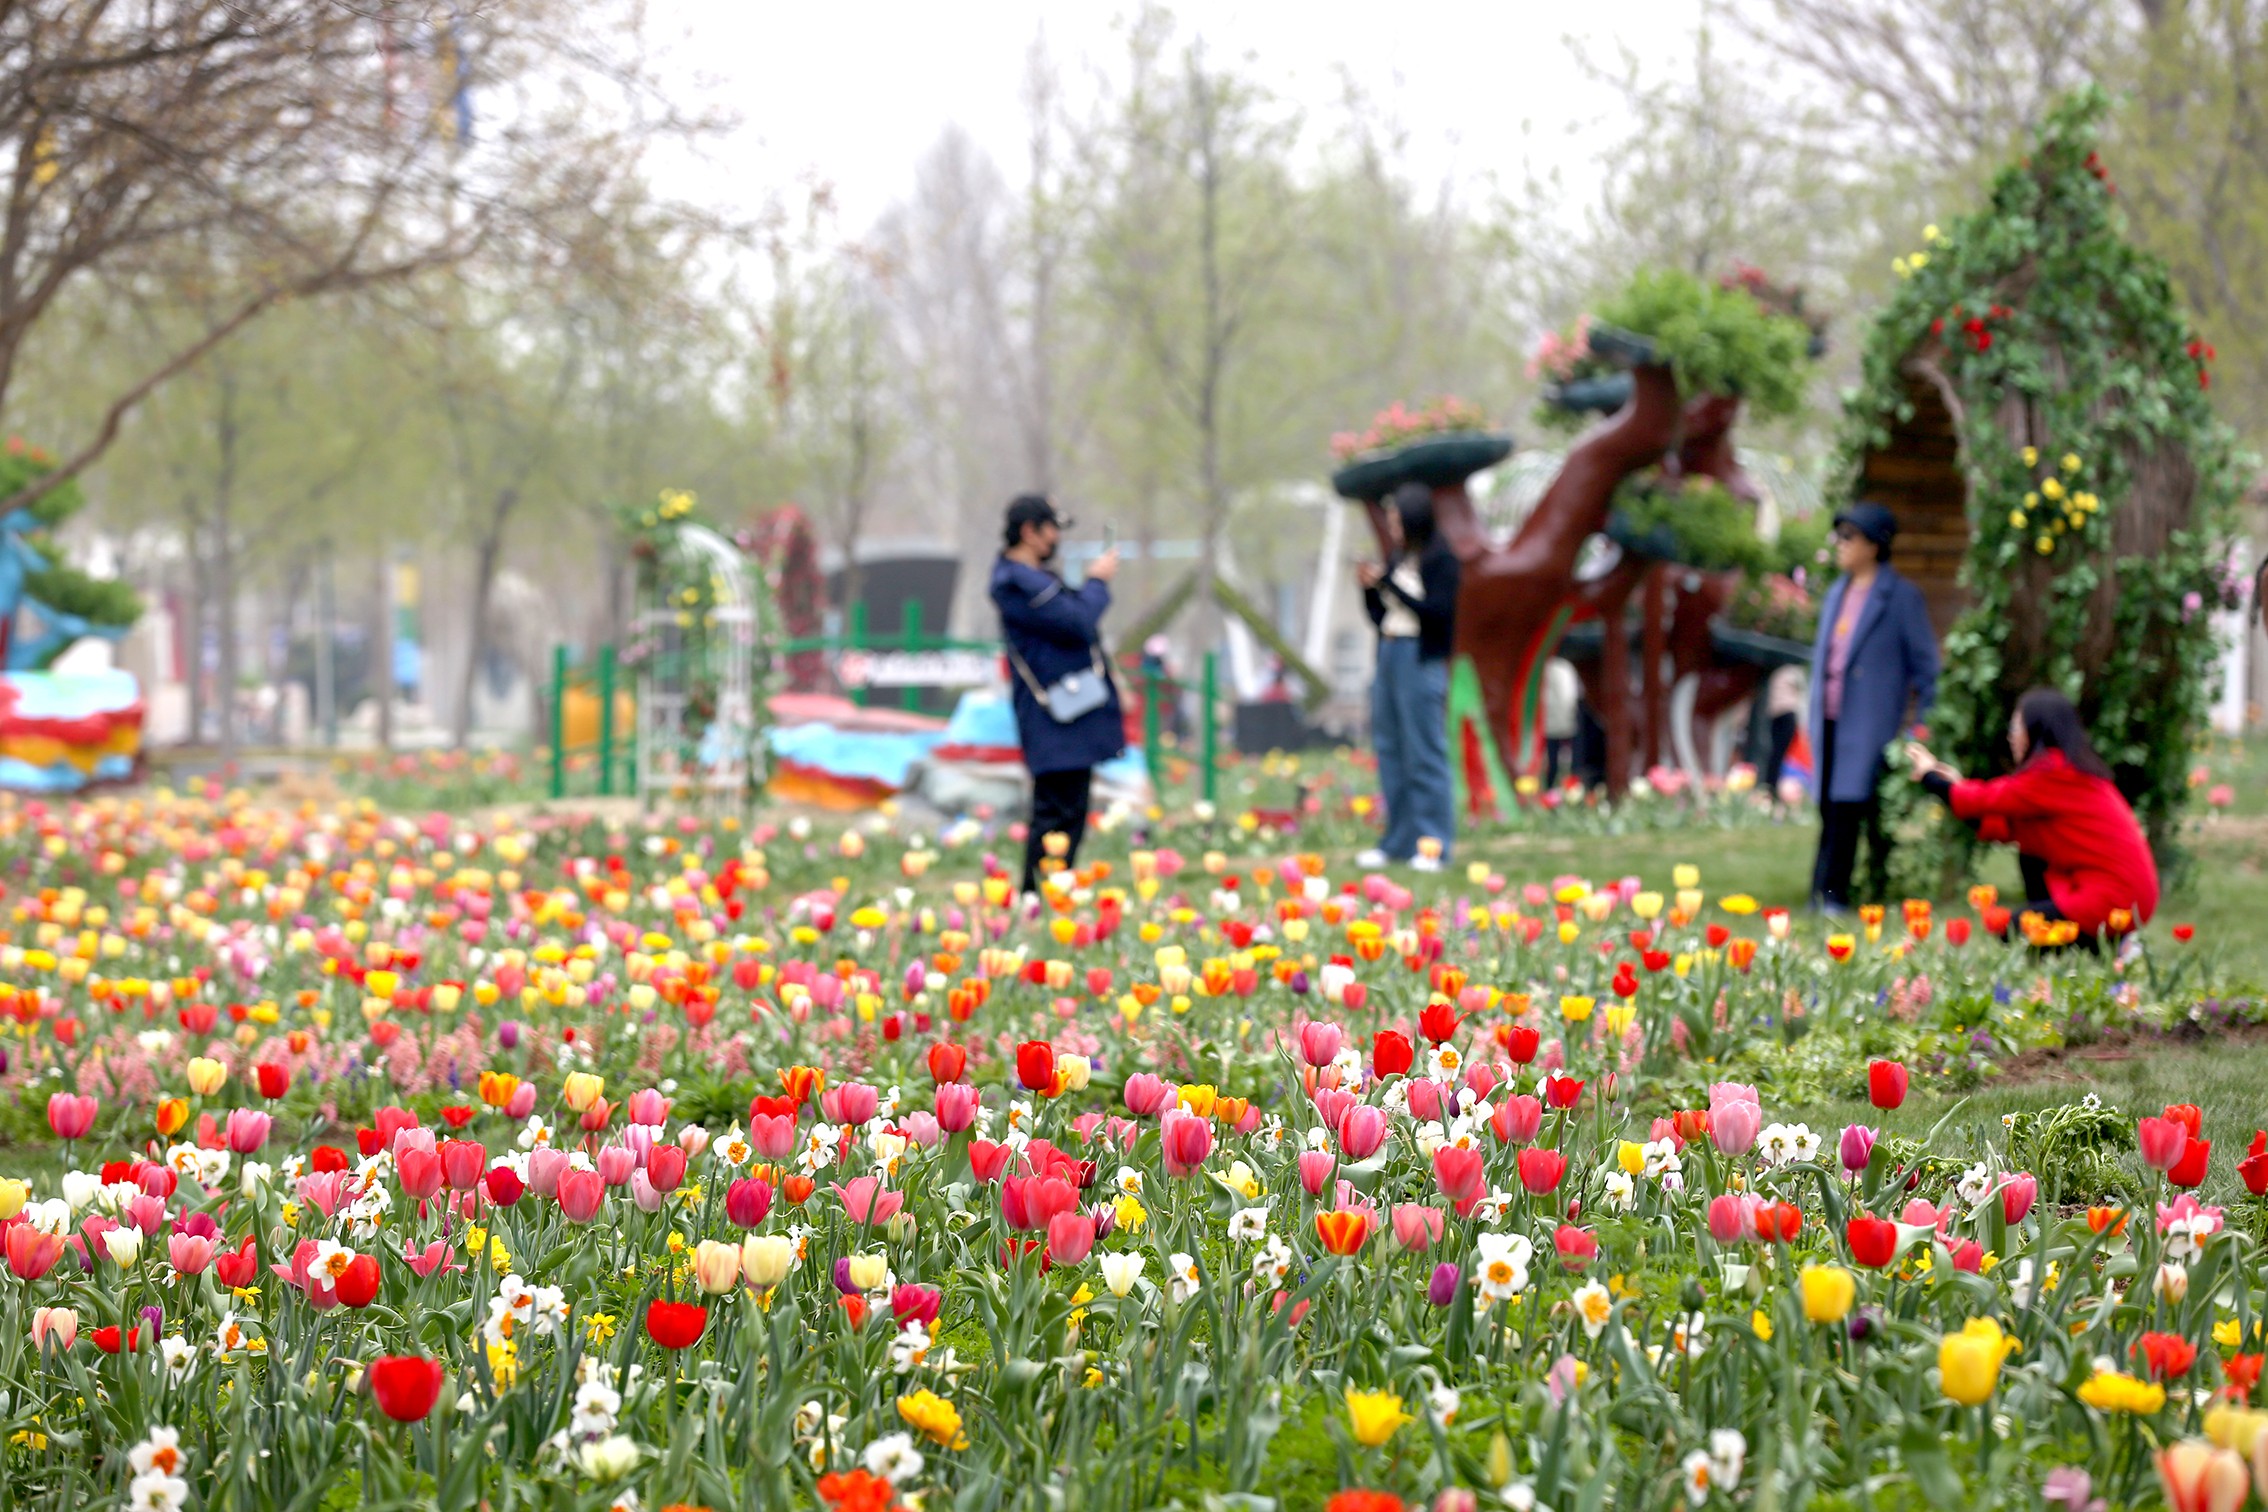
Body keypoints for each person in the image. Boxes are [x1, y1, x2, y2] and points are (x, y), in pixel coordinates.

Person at [1906, 687, 2157, 940]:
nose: (2010, 737)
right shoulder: (2066, 772)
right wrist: (1953, 787)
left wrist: (1930, 776)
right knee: (2030, 862)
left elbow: (1984, 799)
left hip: (2115, 899)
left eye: (2015, 728)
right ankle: (2108, 946)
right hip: (2121, 894)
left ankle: (2118, 945)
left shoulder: (2052, 773)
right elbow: (2001, 824)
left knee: (2015, 931)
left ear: (2036, 730)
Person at [1805, 500, 1939, 911]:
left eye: (1850, 537)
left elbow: (1927, 670)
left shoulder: (1900, 597)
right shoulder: (1835, 593)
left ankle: (1834, 896)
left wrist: (1921, 726)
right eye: (1839, 536)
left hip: (1868, 723)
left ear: (1874, 545)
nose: (1840, 544)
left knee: (1850, 807)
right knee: (1829, 806)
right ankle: (1821, 892)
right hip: (1829, 717)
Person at [991, 494, 1122, 901]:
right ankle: (1037, 897)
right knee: (1055, 810)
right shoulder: (1016, 582)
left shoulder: (1034, 579)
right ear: (1030, 531)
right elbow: (1078, 621)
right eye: (1051, 529)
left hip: (1069, 711)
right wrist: (1098, 582)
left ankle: (1053, 892)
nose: (1055, 539)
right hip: (1053, 716)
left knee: (1071, 807)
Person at [1356, 482, 1460, 871]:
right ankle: (1397, 841)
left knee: (1424, 753)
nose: (1393, 528)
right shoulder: (1401, 558)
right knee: (1391, 749)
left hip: (1421, 656)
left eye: (1398, 520)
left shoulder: (1442, 560)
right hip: (1390, 651)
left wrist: (1389, 584)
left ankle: (1434, 845)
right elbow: (1383, 616)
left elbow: (1436, 614)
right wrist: (1369, 589)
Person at [1542, 656, 1579, 788]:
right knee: (1568, 760)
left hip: (1549, 723)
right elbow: (1570, 695)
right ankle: (1568, 789)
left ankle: (1550, 789)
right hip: (1562, 722)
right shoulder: (1564, 667)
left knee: (1552, 760)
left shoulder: (1547, 666)